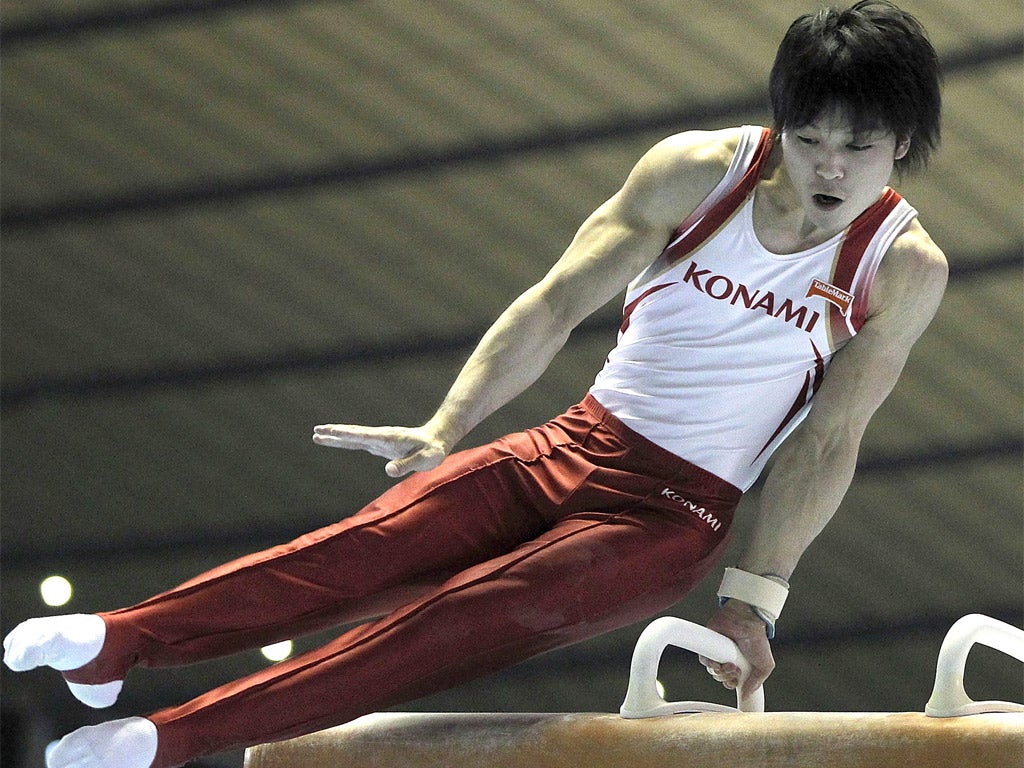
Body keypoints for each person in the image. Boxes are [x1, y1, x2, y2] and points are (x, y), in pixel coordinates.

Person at [3, 3, 946, 766]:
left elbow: (829, 440)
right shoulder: (699, 173)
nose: (828, 166)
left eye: (857, 146)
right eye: (808, 138)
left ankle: (169, 739)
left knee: (446, 624)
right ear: (780, 123)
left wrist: (754, 598)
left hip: (670, 518)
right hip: (571, 443)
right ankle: (120, 642)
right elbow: (555, 303)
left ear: (902, 141)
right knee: (360, 552)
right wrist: (446, 425)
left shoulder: (900, 269)